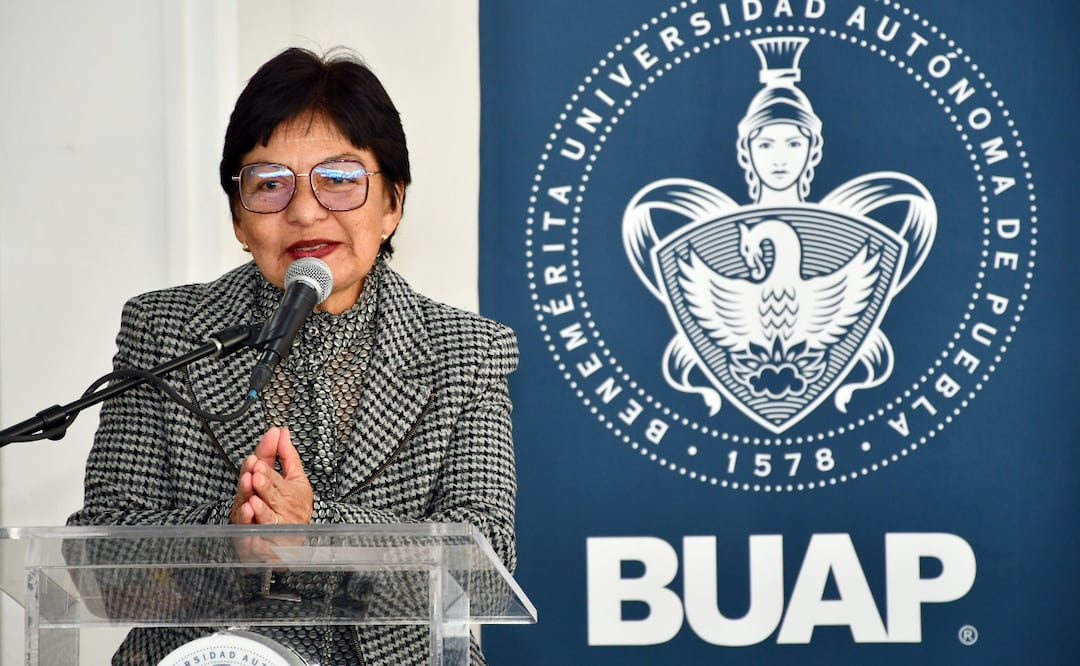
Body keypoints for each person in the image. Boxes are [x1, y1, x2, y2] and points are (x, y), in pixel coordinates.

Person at [66, 46, 518, 665]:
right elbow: (101, 564)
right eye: (270, 184)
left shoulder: (463, 351)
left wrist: (318, 532)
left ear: (392, 203)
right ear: (238, 217)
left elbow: (485, 563)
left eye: (339, 179)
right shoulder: (166, 331)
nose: (305, 210)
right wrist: (231, 538)